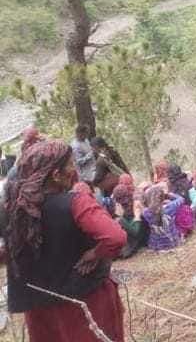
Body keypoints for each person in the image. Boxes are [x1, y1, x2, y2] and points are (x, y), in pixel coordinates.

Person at [4, 139, 127, 342]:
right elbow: (115, 237)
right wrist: (94, 254)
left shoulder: (12, 210)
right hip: (85, 302)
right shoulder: (76, 203)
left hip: (39, 307)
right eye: (70, 164)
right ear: (56, 175)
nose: (74, 169)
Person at [112, 175, 148, 259]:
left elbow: (136, 230)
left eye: (125, 183)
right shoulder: (121, 195)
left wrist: (121, 221)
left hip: (141, 225)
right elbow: (119, 213)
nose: (123, 185)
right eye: (121, 183)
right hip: (131, 225)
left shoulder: (137, 197)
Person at [141, 185, 186, 251]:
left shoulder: (146, 212)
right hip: (173, 241)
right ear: (163, 198)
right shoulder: (170, 207)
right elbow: (181, 199)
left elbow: (143, 206)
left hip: (156, 245)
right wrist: (169, 195)